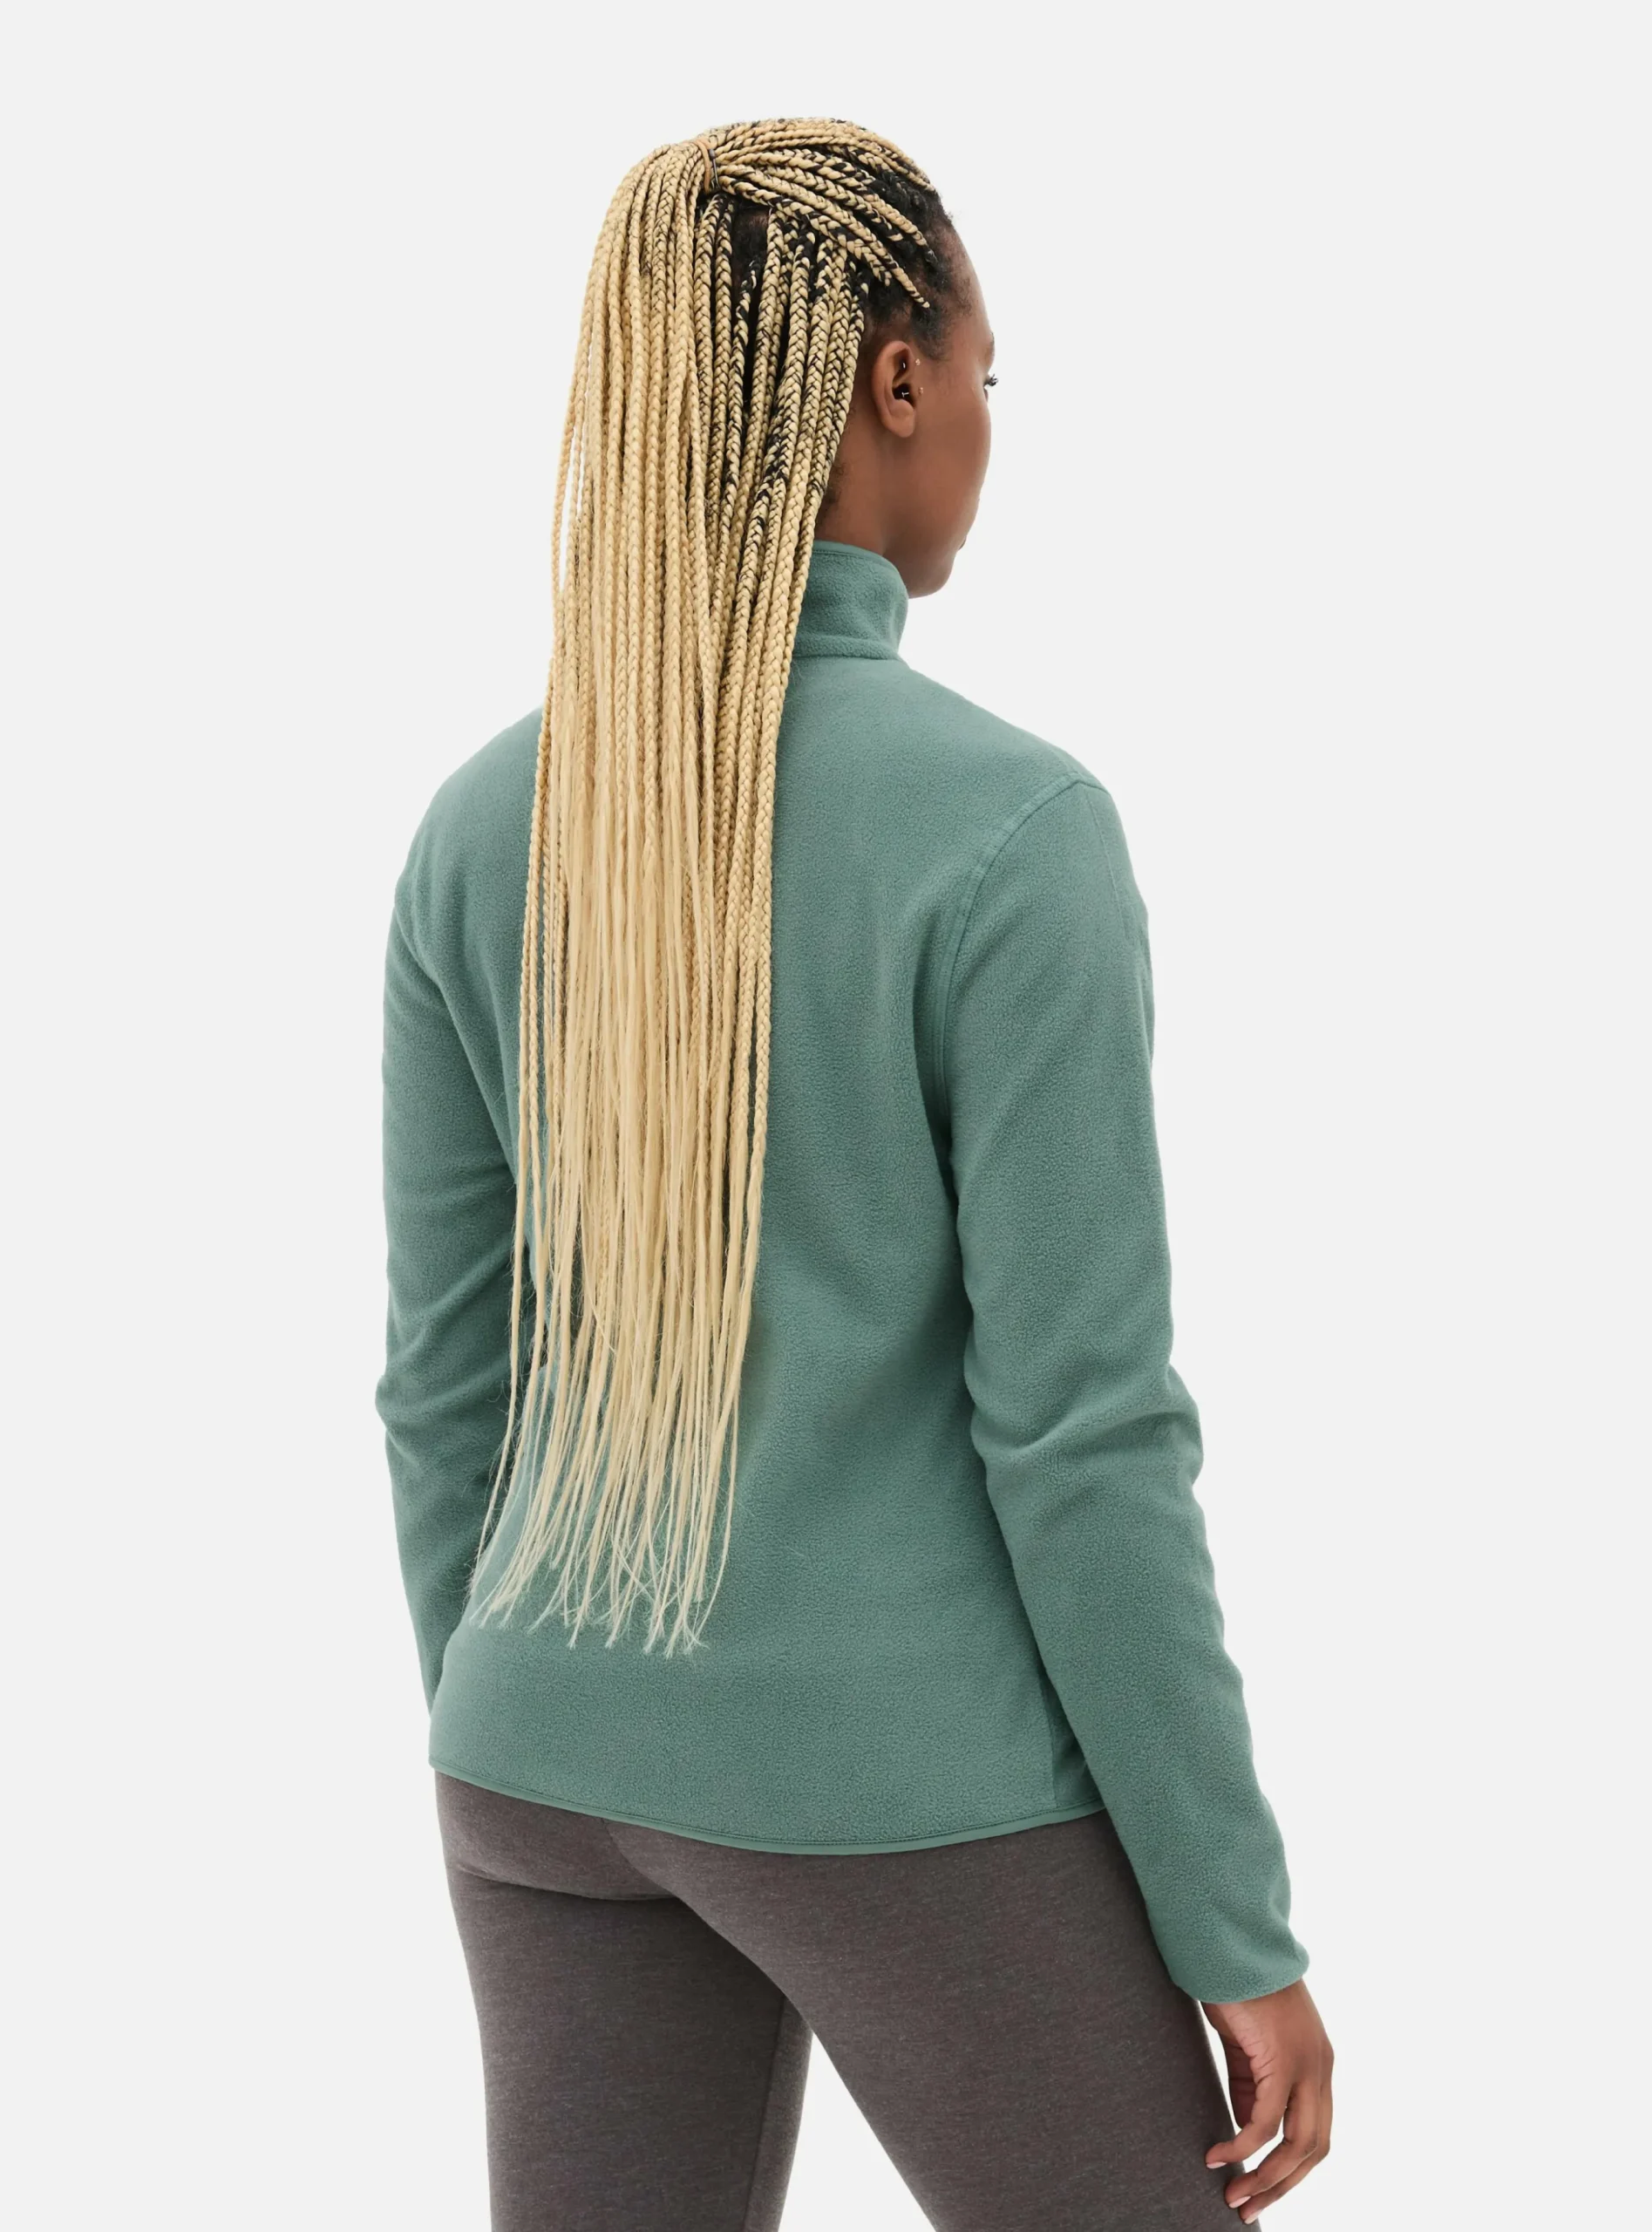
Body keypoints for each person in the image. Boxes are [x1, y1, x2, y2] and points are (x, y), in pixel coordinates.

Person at [377, 117, 1334, 2231]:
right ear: (897, 382)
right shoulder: (1014, 835)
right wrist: (1232, 1922)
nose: (990, 419)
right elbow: (1083, 1437)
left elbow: (443, 1387)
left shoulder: (483, 824)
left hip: (534, 1769)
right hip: (901, 1781)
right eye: (989, 368)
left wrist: (547, 1714)